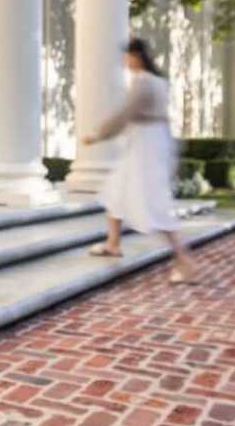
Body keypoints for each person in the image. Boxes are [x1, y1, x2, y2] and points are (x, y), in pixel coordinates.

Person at [80, 38, 197, 284]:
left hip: (146, 147)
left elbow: (126, 114)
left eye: (127, 57)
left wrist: (97, 135)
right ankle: (113, 243)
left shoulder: (143, 82)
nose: (125, 62)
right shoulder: (159, 82)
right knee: (116, 190)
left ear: (136, 57)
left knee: (154, 204)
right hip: (150, 142)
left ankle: (184, 261)